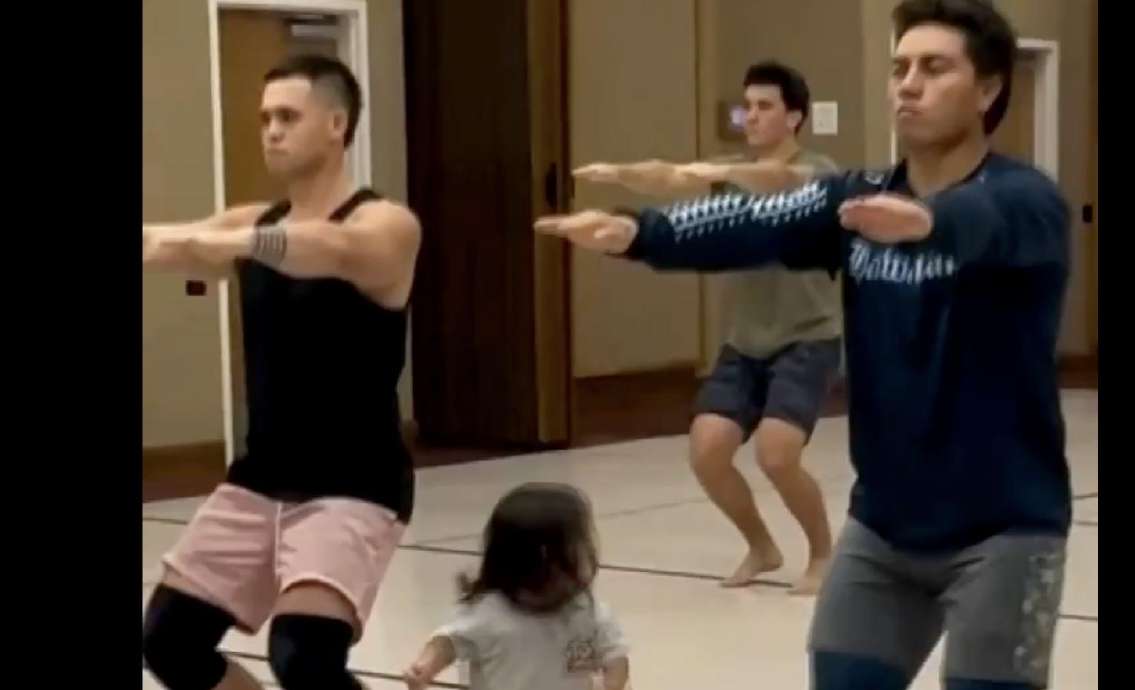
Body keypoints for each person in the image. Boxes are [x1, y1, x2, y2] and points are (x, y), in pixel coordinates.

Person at [535, 1, 1071, 688]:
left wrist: (928, 220)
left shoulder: (1028, 199)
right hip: (884, 528)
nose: (908, 84)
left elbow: (987, 218)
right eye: (900, 68)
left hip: (1005, 531)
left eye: (935, 68)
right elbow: (754, 220)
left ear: (989, 89)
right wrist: (640, 234)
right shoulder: (856, 198)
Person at [141, 54, 421, 690]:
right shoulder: (252, 223)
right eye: (266, 118)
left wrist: (239, 242)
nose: (271, 130)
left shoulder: (386, 223)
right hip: (260, 477)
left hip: (354, 482)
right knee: (168, 641)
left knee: (304, 658)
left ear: (337, 124)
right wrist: (214, 239)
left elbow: (335, 250)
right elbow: (164, 241)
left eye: (288, 117)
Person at [573, 61, 842, 596]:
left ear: (794, 117)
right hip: (746, 340)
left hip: (807, 336)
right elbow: (671, 175)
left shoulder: (819, 173)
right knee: (708, 452)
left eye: (764, 107)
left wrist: (709, 174)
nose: (751, 117)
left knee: (777, 455)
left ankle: (823, 554)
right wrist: (619, 173)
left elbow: (776, 179)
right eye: (747, 107)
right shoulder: (733, 172)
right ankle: (762, 547)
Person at [403, 483, 630, 690]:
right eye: (578, 547)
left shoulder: (585, 610)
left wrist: (613, 684)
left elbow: (615, 654)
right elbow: (449, 641)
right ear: (544, 559)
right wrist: (426, 665)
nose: (586, 554)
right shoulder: (488, 613)